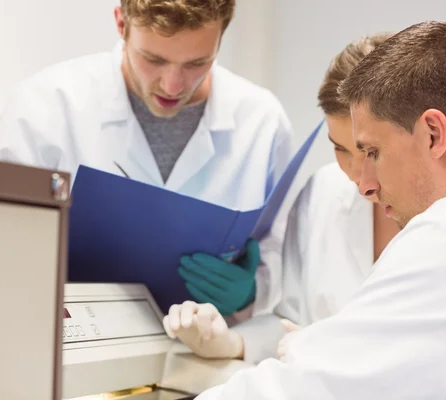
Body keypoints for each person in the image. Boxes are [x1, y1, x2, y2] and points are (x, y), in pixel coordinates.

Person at [191, 21, 446, 399]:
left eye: (372, 151)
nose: (364, 181)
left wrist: (320, 351)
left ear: (433, 134)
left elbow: (313, 389)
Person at [0, 0, 293, 318]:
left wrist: (251, 291)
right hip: (75, 344)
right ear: (121, 25)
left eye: (197, 62)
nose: (173, 85)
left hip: (210, 351)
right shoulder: (43, 107)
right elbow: (6, 242)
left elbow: (279, 250)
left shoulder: (262, 121)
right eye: (154, 59)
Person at [162, 33, 402, 363]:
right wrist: (230, 342)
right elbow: (292, 322)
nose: (359, 180)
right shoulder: (323, 192)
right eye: (340, 149)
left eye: (370, 152)